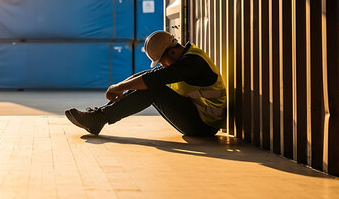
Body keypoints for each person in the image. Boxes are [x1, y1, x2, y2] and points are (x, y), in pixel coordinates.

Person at [65, 30, 226, 137]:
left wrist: (119, 87)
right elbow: (149, 75)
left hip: (204, 126)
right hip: (197, 117)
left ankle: (99, 118)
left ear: (172, 51)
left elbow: (152, 80)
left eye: (162, 62)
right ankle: (99, 116)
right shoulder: (187, 57)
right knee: (150, 84)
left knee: (153, 89)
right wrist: (119, 86)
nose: (162, 66)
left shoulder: (192, 63)